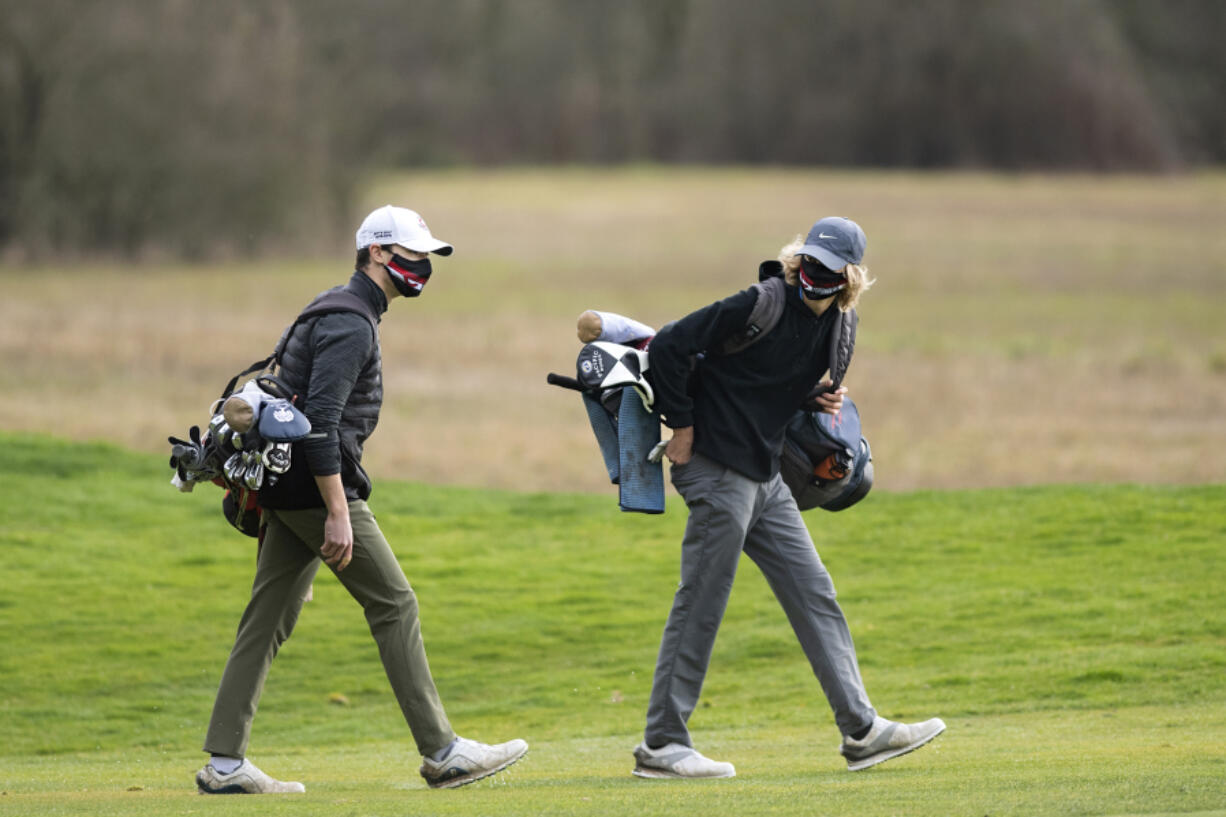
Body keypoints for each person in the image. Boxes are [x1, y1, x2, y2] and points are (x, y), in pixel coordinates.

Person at [195, 205, 527, 794]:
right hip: (313, 488)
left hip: (281, 485)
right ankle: (443, 752)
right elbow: (319, 425)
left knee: (268, 617)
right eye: (412, 254)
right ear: (377, 252)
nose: (421, 266)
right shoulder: (351, 323)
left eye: (426, 257)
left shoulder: (330, 304)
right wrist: (340, 513)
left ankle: (224, 764)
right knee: (394, 603)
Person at [626, 216, 945, 779]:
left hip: (765, 475)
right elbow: (673, 344)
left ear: (850, 275)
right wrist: (680, 426)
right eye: (810, 262)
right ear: (801, 259)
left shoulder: (838, 328)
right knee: (702, 600)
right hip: (716, 466)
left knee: (814, 592)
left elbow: (764, 381)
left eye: (828, 268)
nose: (815, 274)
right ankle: (662, 744)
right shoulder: (760, 303)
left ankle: (862, 731)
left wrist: (811, 397)